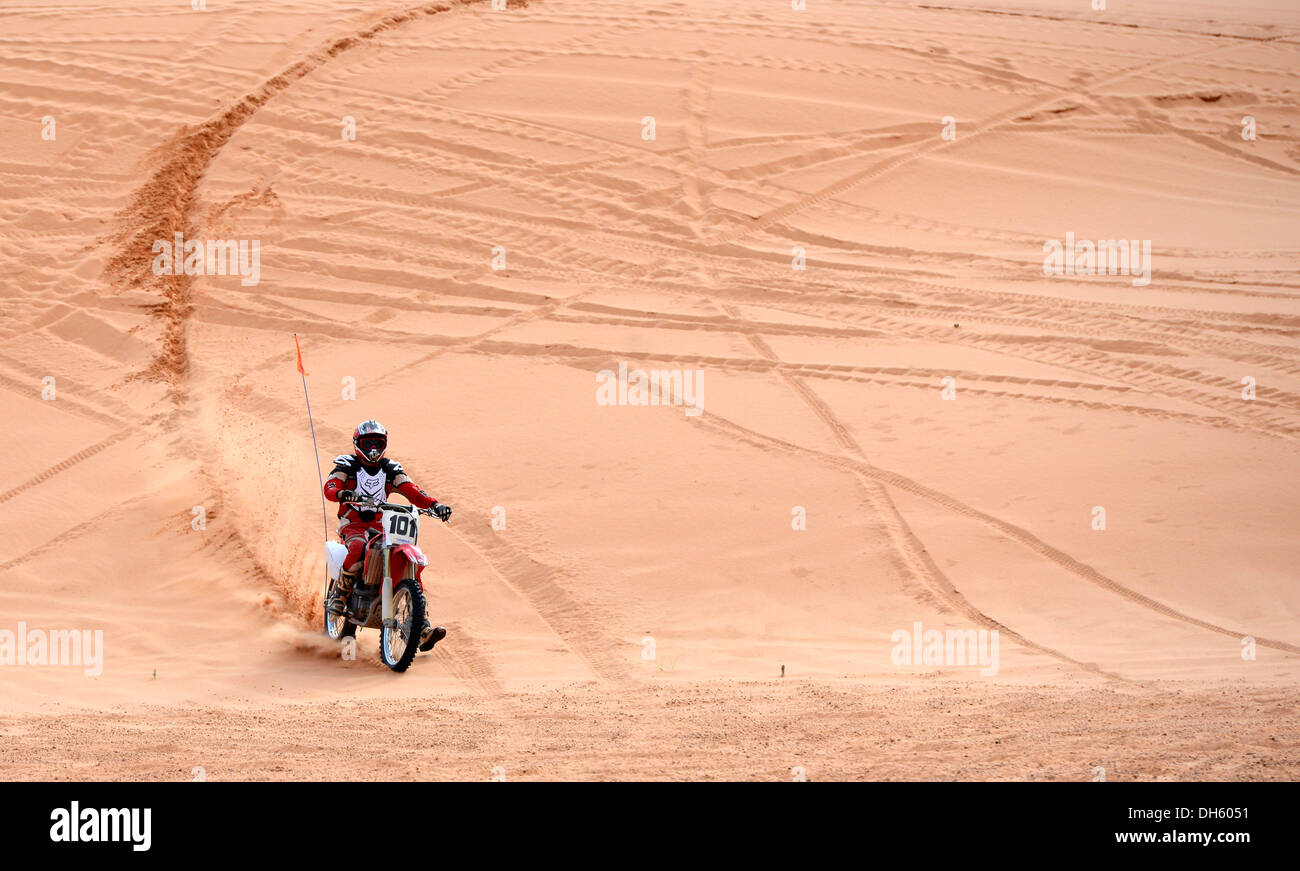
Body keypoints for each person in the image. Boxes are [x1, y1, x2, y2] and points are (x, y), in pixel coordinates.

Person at [323, 419, 451, 649]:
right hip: (353, 523)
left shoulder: (391, 469)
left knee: (407, 561)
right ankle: (340, 597)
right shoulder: (347, 466)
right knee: (358, 548)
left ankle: (420, 625)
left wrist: (435, 504)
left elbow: (413, 491)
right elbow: (330, 487)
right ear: (357, 443)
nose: (373, 448)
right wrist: (343, 493)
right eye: (368, 442)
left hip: (383, 524)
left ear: (385, 444)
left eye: (378, 443)